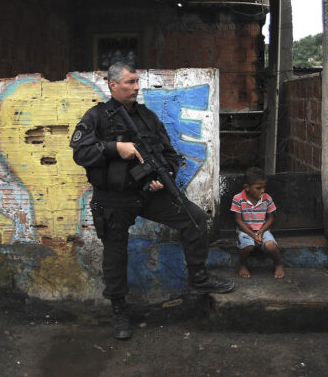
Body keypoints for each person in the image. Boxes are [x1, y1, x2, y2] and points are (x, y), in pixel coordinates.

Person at [70, 62, 234, 340]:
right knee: (115, 253)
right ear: (112, 85)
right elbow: (80, 152)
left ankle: (199, 277)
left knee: (194, 218)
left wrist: (166, 173)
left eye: (137, 82)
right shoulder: (97, 116)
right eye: (130, 82)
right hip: (114, 198)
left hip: (148, 193)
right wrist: (114, 148)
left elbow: (169, 152)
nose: (136, 88)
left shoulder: (146, 117)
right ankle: (119, 309)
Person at [231, 167, 285, 280]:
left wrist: (261, 231)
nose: (262, 191)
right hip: (246, 231)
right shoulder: (238, 198)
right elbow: (238, 220)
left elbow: (270, 218)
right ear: (247, 187)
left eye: (264, 187)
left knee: (271, 246)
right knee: (247, 246)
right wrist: (252, 235)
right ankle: (242, 264)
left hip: (263, 230)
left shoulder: (267, 198)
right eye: (258, 188)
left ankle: (278, 264)